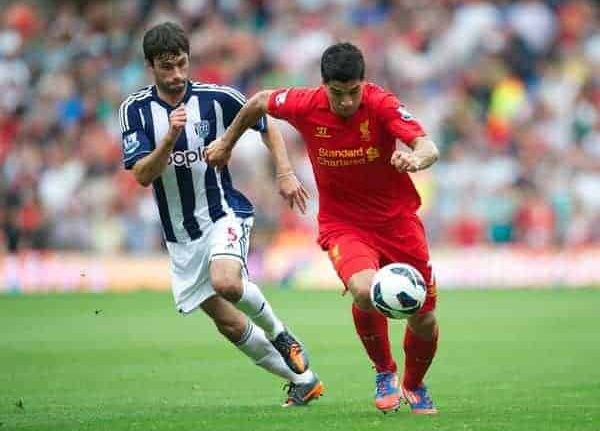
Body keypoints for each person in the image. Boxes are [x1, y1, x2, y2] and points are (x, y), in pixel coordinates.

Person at [205, 42, 440, 414]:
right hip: (343, 224)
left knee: (424, 316)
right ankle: (385, 371)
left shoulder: (380, 104)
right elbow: (258, 101)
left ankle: (415, 384)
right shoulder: (304, 103)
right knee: (364, 291)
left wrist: (414, 158)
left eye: (353, 92)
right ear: (323, 85)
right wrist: (226, 142)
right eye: (337, 93)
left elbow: (428, 146)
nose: (346, 101)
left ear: (363, 84)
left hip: (398, 222)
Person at [119, 21, 323, 407]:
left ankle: (281, 334)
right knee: (227, 322)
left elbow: (265, 122)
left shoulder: (217, 97)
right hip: (180, 237)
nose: (177, 74)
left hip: (222, 212)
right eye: (167, 67)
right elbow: (143, 175)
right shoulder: (135, 112)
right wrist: (168, 140)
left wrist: (283, 171)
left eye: (182, 64)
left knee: (227, 282)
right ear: (151, 66)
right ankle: (304, 380)